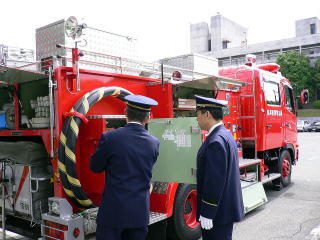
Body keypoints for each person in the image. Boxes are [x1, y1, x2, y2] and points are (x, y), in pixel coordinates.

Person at [90, 94, 160, 240]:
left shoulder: (110, 138)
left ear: (125, 113)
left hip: (113, 213)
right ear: (147, 118)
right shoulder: (154, 142)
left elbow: (95, 167)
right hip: (139, 214)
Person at [195, 95, 244, 240]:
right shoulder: (225, 134)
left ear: (207, 114)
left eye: (198, 114)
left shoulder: (215, 141)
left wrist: (208, 212)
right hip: (224, 210)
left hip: (217, 213)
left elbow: (215, 181)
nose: (196, 118)